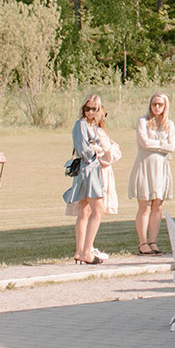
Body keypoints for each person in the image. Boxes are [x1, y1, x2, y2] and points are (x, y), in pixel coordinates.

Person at [65, 94, 114, 265]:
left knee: (85, 211)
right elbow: (86, 151)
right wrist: (99, 150)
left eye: (94, 109)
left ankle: (80, 250)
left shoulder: (94, 126)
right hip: (88, 171)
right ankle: (86, 250)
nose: (90, 112)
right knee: (97, 210)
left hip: (93, 170)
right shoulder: (81, 125)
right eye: (87, 108)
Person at [130, 91, 175, 256]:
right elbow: (143, 142)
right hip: (145, 165)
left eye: (160, 104)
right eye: (154, 104)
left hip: (161, 167)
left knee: (158, 204)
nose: (157, 107)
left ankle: (153, 241)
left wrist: (157, 145)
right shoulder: (143, 121)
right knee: (145, 204)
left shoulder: (169, 124)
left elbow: (172, 146)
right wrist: (161, 144)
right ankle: (142, 242)